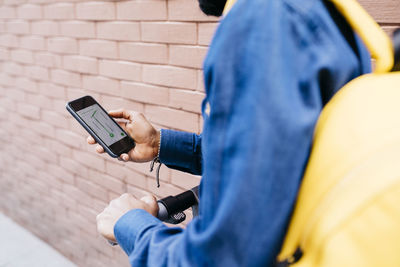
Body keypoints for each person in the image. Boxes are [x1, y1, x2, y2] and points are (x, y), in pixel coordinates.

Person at [90, 0, 372, 266]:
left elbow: (220, 258)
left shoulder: (261, 24)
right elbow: (274, 161)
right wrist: (159, 144)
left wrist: (130, 224)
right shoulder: (319, 13)